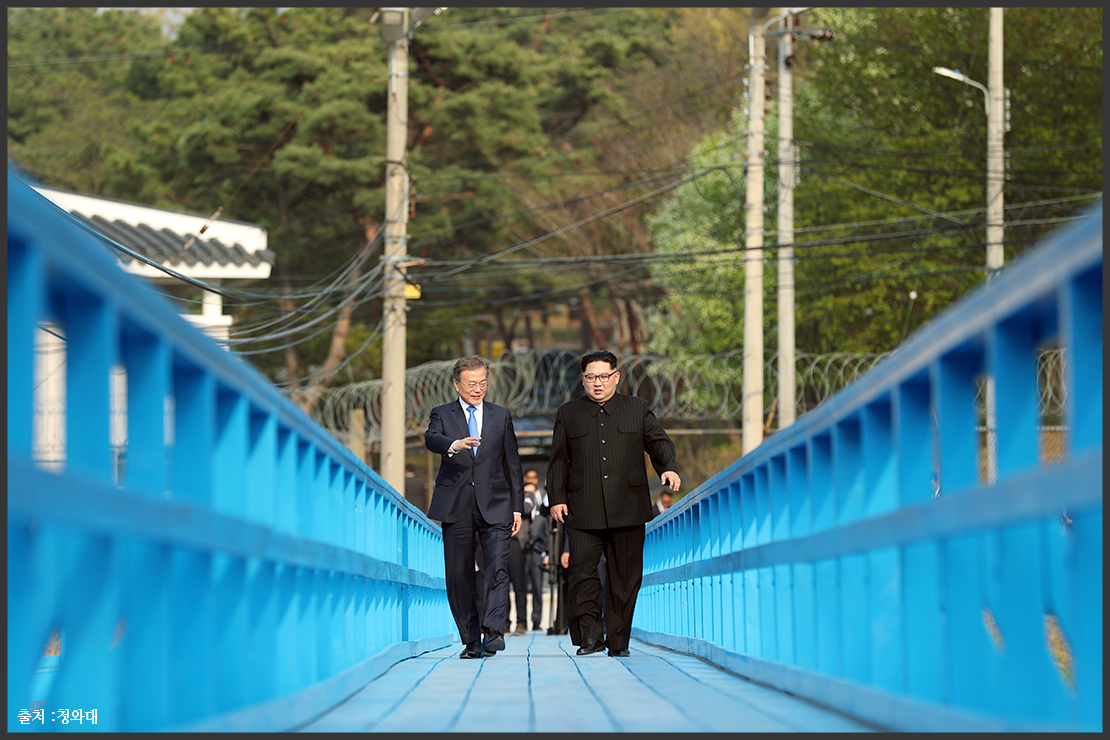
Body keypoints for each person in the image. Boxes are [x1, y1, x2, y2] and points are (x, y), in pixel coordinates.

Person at [548, 350, 681, 659]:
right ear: (582, 379)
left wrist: (668, 467)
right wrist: (557, 498)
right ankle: (590, 637)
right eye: (591, 377)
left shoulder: (637, 408)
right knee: (583, 573)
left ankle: (618, 640)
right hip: (582, 508)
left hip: (628, 506)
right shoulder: (568, 414)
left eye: (604, 377)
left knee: (625, 578)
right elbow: (558, 462)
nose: (598, 383)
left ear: (616, 377)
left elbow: (658, 442)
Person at [425, 355, 524, 659]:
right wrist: (454, 445)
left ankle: (493, 630)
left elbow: (513, 464)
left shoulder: (500, 415)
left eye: (483, 383)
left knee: (497, 567)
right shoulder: (442, 414)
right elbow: (431, 439)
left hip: (496, 505)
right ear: (457, 384)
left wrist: (517, 508)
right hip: (456, 505)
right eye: (471, 384)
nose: (478, 388)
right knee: (459, 575)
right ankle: (470, 640)